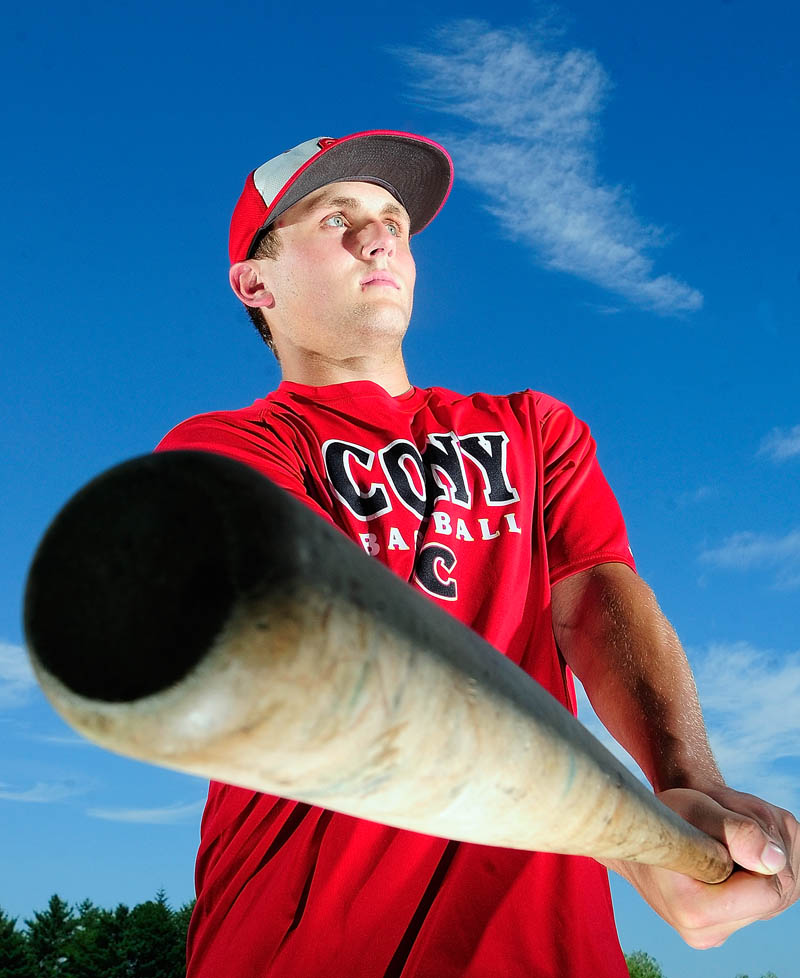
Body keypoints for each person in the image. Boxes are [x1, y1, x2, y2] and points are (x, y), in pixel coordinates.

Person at [156, 130, 798, 977]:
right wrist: (612, 828)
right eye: (334, 218)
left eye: (393, 220)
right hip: (301, 946)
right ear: (255, 281)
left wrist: (687, 784)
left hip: (551, 954)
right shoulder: (227, 448)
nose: (379, 235)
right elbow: (328, 649)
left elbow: (596, 597)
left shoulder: (534, 428)